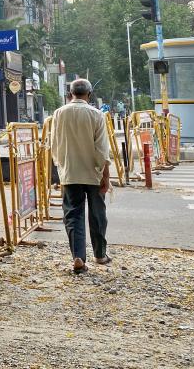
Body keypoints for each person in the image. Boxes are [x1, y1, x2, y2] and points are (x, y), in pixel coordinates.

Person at [51, 77, 111, 274]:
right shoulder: (96, 115)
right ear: (89, 94)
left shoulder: (58, 114)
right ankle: (100, 254)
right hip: (93, 173)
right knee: (97, 214)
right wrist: (106, 176)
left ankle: (78, 257)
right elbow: (102, 150)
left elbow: (55, 145)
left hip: (70, 173)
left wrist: (61, 168)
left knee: (73, 215)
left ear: (70, 94)